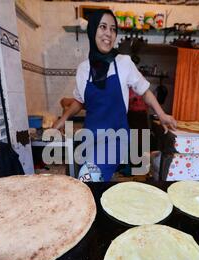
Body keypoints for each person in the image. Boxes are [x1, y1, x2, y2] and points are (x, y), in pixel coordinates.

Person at [53, 9, 177, 182]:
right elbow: (79, 101)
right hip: (90, 137)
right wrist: (63, 118)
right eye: (103, 27)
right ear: (92, 30)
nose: (109, 34)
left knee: (87, 177)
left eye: (113, 29)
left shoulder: (124, 63)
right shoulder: (83, 69)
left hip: (115, 138)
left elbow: (145, 91)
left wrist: (161, 114)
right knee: (93, 181)